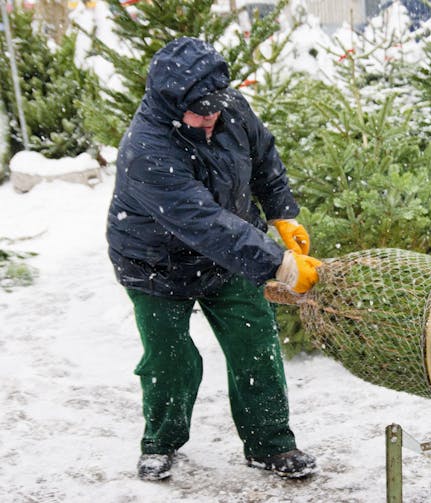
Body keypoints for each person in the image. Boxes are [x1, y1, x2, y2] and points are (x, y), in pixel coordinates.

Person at [105, 37, 321, 481]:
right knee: (170, 359)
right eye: (200, 111)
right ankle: (160, 442)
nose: (212, 118)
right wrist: (278, 263)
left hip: (228, 258)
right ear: (170, 103)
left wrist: (282, 213)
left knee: (255, 345)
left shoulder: (226, 106)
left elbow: (263, 156)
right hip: (154, 265)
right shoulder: (146, 149)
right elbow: (203, 222)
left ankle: (271, 444)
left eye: (216, 107)